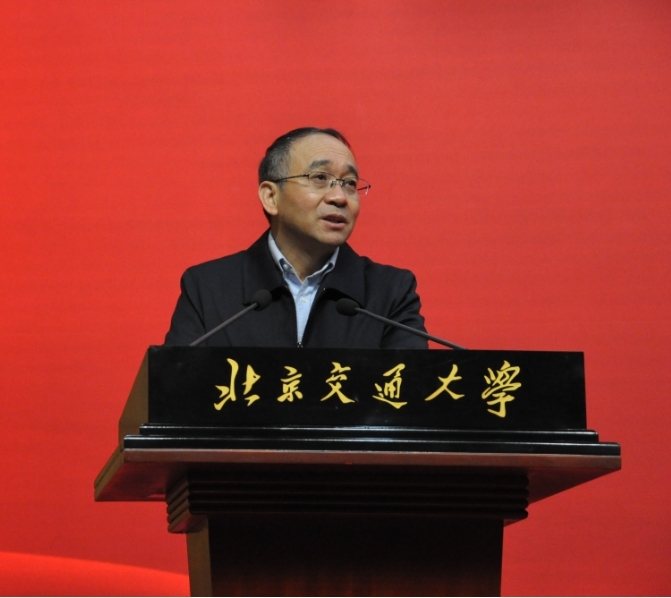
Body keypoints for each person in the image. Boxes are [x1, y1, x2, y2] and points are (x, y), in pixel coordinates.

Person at [164, 127, 428, 348]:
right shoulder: (207, 288)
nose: (339, 197)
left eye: (349, 183)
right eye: (320, 178)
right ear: (271, 196)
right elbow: (174, 386)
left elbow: (410, 389)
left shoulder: (391, 292)